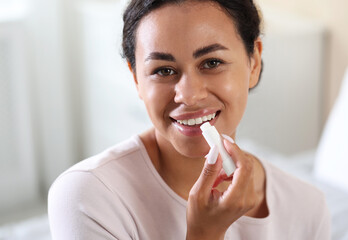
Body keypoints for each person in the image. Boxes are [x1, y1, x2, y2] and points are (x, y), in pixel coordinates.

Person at [48, 0, 331, 239]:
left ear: (253, 63)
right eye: (164, 70)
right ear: (136, 79)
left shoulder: (307, 208)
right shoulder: (86, 197)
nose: (189, 95)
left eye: (211, 63)